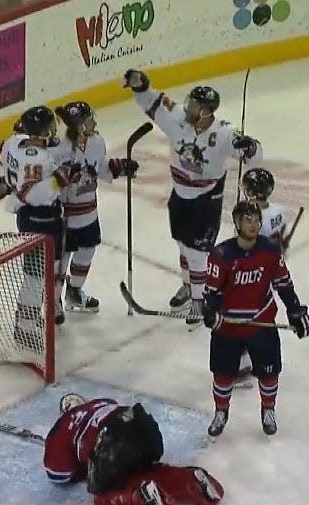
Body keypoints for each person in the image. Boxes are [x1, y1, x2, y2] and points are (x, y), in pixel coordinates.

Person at [121, 69, 263, 324]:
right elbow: (153, 103)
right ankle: (189, 286)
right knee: (183, 245)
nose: (188, 107)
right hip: (180, 195)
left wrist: (249, 147)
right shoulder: (179, 119)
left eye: (195, 105)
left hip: (206, 199)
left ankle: (200, 300)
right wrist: (140, 86)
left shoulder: (225, 133)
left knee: (198, 252)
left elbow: (255, 156)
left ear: (207, 111)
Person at [202, 201, 309, 437]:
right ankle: (221, 412)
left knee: (269, 371)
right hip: (229, 327)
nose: (253, 224)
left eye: (255, 219)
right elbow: (212, 294)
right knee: (223, 373)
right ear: (236, 223)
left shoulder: (270, 251)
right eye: (247, 219)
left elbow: (284, 284)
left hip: (261, 322)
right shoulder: (221, 255)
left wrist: (295, 310)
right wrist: (211, 312)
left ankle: (268, 410)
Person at [43, 394, 224, 505]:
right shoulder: (102, 402)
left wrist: (82, 470)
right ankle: (187, 480)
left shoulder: (62, 427)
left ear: (63, 413)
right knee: (144, 469)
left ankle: (137, 496)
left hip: (108, 440)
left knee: (102, 497)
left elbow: (59, 475)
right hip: (141, 423)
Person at [0, 105, 80, 341]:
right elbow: (34, 195)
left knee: (52, 268)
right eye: (48, 127)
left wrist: (10, 184)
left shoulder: (12, 143)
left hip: (31, 216)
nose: (52, 130)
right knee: (36, 276)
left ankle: (51, 305)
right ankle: (24, 327)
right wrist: (61, 179)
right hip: (40, 218)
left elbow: (5, 158)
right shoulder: (37, 158)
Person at [52, 101, 139, 313]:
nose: (94, 122)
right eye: (89, 119)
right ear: (80, 125)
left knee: (87, 252)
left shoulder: (97, 141)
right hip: (64, 217)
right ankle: (54, 302)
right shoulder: (58, 149)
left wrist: (119, 167)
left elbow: (100, 167)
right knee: (61, 261)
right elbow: (47, 186)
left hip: (89, 212)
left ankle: (74, 292)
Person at [236, 167, 288, 382]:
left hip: (252, 276)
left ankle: (241, 366)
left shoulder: (252, 219)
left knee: (239, 320)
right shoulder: (278, 211)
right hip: (271, 273)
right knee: (259, 317)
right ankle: (258, 361)